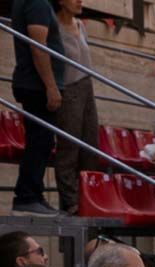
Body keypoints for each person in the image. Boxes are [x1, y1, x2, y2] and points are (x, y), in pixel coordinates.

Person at [10, 0, 64, 215]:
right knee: (40, 141)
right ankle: (27, 195)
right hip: (36, 85)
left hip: (34, 84)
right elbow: (38, 47)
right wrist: (51, 86)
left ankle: (34, 194)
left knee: (42, 141)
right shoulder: (37, 2)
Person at [52, 0, 98, 216]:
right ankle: (70, 200)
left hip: (87, 86)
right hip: (68, 88)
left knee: (90, 145)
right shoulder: (54, 26)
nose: (80, 1)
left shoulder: (80, 25)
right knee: (69, 146)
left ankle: (89, 197)